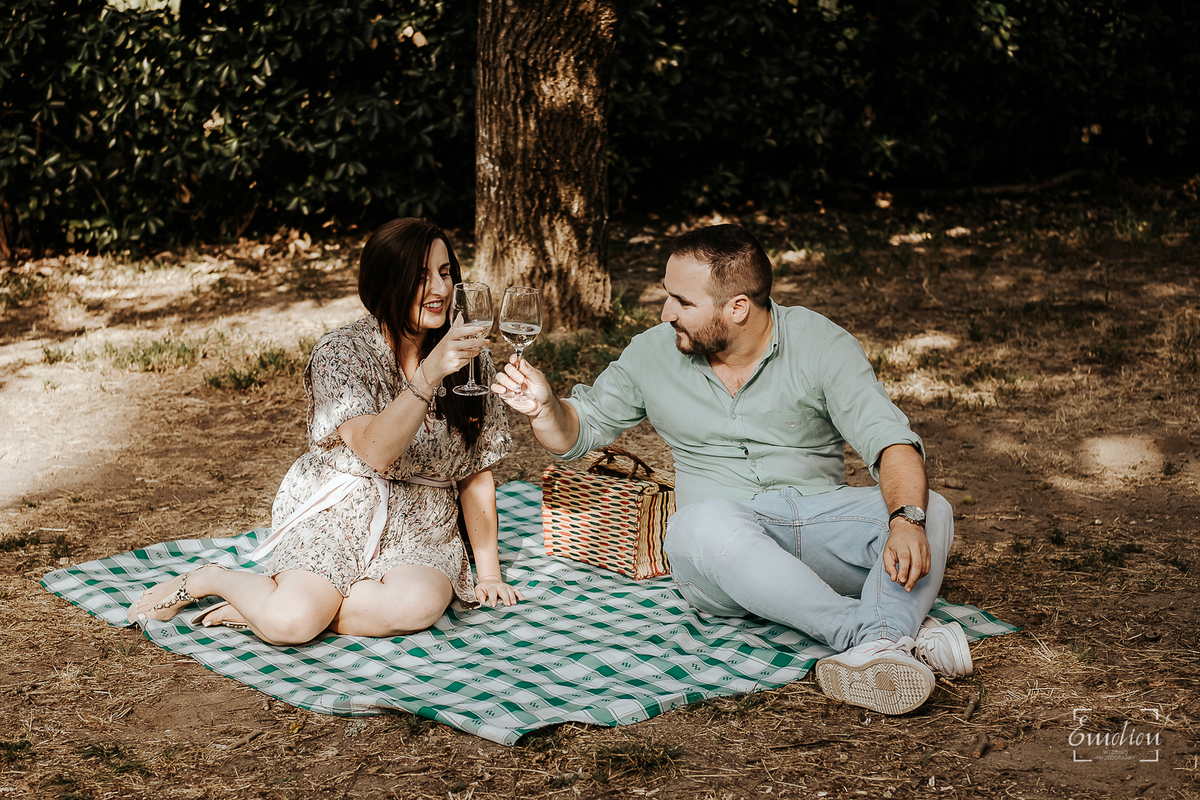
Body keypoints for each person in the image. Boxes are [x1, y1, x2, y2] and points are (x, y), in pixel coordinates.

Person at [493, 223, 971, 715]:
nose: (666, 313)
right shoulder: (652, 353)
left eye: (683, 301)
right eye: (668, 296)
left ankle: (885, 644)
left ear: (737, 307)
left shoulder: (820, 343)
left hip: (814, 526)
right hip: (718, 556)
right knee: (700, 523)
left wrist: (907, 519)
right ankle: (870, 635)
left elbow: (891, 442)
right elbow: (579, 433)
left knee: (931, 510)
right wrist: (545, 407)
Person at [128, 217, 524, 643]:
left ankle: (264, 604)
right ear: (386, 283)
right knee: (291, 624)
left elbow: (475, 468)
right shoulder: (340, 353)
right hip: (341, 508)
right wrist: (428, 375)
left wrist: (489, 572)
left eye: (446, 273)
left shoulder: (468, 354)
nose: (441, 290)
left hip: (423, 522)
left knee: (416, 607)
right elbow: (374, 450)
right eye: (421, 276)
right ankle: (215, 580)